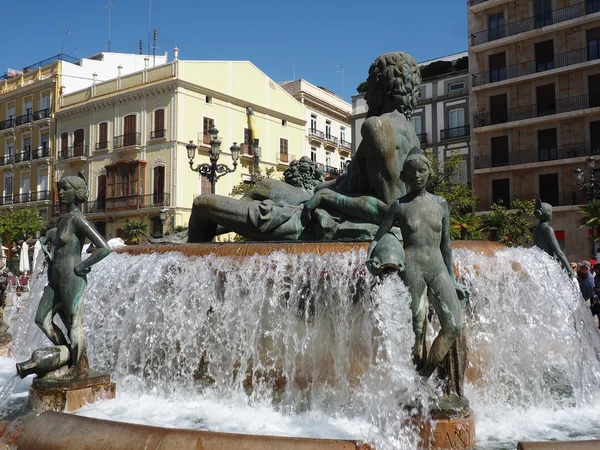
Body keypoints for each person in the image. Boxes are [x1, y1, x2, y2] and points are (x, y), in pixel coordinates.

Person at [366, 151, 468, 378]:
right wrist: (370, 259)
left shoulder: (441, 204)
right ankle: (417, 387)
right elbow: (378, 236)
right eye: (411, 173)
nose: (417, 176)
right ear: (404, 177)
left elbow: (446, 245)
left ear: (429, 172)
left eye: (421, 171)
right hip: (412, 269)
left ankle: (423, 377)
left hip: (438, 269)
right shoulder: (399, 206)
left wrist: (453, 280)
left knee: (453, 327)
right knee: (417, 330)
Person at [34, 174, 111, 377]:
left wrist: (82, 266)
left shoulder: (78, 219)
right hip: (56, 277)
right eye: (60, 188)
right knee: (42, 320)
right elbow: (56, 238)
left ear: (76, 193)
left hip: (72, 276)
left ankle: (77, 370)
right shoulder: (63, 219)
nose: (60, 193)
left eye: (65, 189)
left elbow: (104, 247)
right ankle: (67, 354)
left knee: (73, 323)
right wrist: (47, 239)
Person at [533, 199, 574, 279]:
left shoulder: (536, 230)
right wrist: (570, 271)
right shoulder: (547, 229)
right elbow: (559, 252)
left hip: (540, 265)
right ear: (547, 213)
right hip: (548, 266)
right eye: (551, 212)